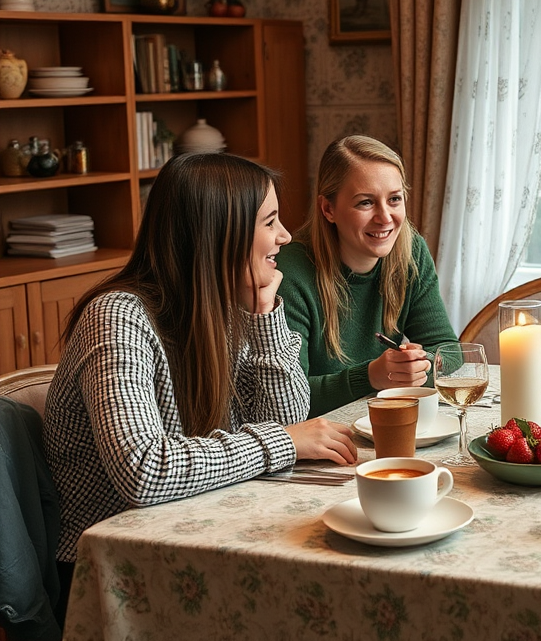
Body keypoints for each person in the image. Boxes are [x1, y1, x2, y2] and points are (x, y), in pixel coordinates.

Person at [44, 153, 357, 582]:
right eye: (269, 222)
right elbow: (145, 471)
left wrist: (265, 315)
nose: (285, 236)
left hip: (194, 537)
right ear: (216, 236)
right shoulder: (117, 317)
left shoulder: (220, 310)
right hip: (113, 570)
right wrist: (281, 443)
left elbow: (284, 420)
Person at [277, 136, 458, 417]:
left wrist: (418, 365)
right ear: (329, 209)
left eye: (394, 199)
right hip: (318, 439)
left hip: (383, 421)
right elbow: (286, 400)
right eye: (365, 203)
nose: (385, 217)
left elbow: (449, 351)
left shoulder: (411, 251)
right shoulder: (290, 272)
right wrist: (370, 376)